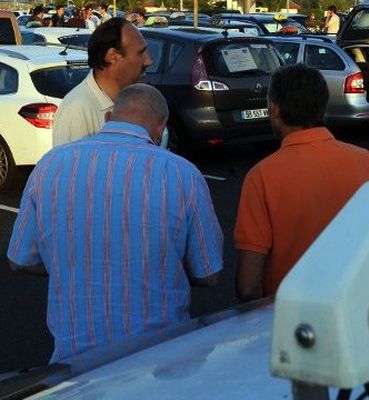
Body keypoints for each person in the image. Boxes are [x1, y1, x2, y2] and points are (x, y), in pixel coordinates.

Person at [7, 83, 223, 363]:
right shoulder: (183, 174)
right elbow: (208, 273)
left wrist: (72, 266)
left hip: (75, 364)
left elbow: (20, 259)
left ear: (108, 118)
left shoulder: (49, 166)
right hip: (159, 359)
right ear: (161, 128)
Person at [234, 64, 369, 301]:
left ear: (274, 109)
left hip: (294, 317)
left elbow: (248, 285)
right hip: (355, 306)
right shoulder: (366, 161)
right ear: (322, 106)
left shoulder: (261, 176)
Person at [53, 17, 152, 147]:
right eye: (140, 53)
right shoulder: (77, 109)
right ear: (112, 56)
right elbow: (71, 165)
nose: (149, 61)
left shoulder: (135, 100)